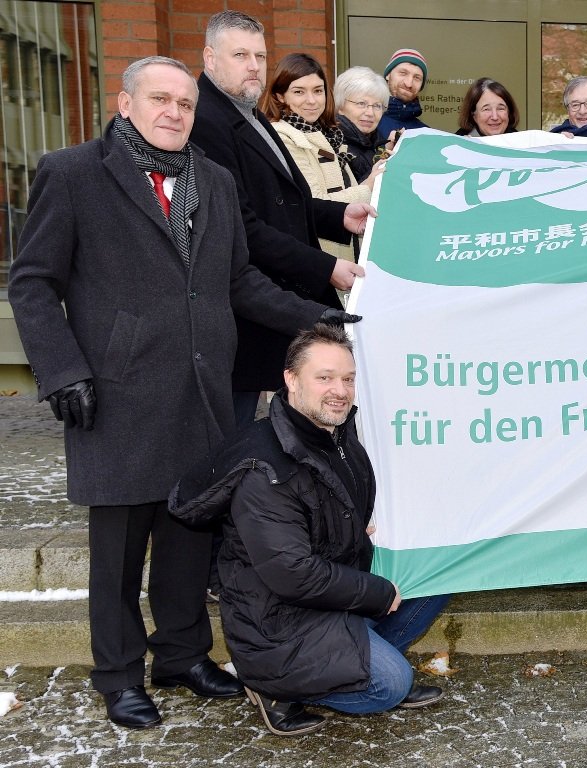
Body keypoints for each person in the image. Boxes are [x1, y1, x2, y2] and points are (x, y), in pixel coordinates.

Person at [7, 56, 351, 730]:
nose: (173, 113)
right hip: (114, 394)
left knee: (188, 537)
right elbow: (32, 283)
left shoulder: (213, 180)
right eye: (159, 99)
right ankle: (117, 675)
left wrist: (312, 319)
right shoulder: (73, 173)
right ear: (126, 103)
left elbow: (238, 281)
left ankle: (182, 656)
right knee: (119, 552)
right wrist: (63, 371)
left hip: (201, 389)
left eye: (185, 103)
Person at [171, 324, 450, 736]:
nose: (340, 390)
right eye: (324, 378)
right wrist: (377, 591)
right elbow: (294, 574)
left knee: (439, 575)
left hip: (329, 603)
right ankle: (273, 688)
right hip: (281, 624)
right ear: (291, 379)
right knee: (392, 685)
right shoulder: (265, 468)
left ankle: (356, 664)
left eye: (348, 378)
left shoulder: (335, 438)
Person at [190, 10, 371, 426]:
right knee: (234, 441)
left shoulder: (247, 113)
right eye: (240, 54)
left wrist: (341, 216)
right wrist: (327, 268)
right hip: (249, 309)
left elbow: (286, 201)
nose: (253, 66)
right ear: (210, 57)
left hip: (278, 303)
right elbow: (244, 228)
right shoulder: (206, 121)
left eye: (259, 56)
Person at [263, 53, 383, 263]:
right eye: (299, 92)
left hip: (343, 256)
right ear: (281, 96)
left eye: (318, 91)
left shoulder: (326, 134)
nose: (311, 100)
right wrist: (369, 186)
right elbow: (314, 205)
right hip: (318, 260)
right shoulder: (282, 137)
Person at [335, 66, 395, 183]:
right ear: (341, 106)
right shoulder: (333, 146)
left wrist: (387, 150)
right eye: (361, 103)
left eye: (377, 106)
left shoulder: (376, 141)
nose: (370, 113)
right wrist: (384, 156)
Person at [378, 48, 429, 138]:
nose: (409, 83)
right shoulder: (366, 121)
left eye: (417, 78)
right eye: (403, 73)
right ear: (388, 75)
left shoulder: (426, 134)